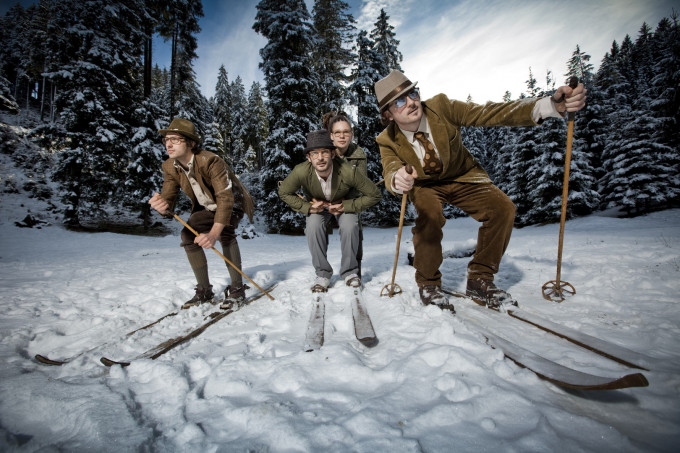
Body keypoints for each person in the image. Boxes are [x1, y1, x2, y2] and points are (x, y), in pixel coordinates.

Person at [374, 70, 586, 309]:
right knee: (430, 215)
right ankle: (429, 284)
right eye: (400, 101)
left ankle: (480, 279)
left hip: (463, 176)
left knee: (502, 209)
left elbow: (488, 113)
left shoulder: (441, 107)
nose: (411, 102)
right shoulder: (387, 140)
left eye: (412, 93)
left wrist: (548, 106)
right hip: (426, 186)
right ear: (388, 115)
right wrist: (397, 179)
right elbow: (390, 170)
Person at [149, 118, 255, 309]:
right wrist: (162, 206)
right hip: (206, 208)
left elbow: (225, 199)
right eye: (166, 139)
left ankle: (237, 290)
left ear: (191, 143)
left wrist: (213, 234)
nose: (169, 143)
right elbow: (168, 200)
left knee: (225, 232)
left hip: (233, 202)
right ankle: (205, 291)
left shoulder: (211, 161)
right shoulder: (169, 166)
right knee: (187, 235)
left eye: (175, 139)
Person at [278, 129, 382, 292]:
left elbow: (375, 194)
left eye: (324, 152)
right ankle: (322, 273)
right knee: (313, 226)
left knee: (350, 225)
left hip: (343, 204)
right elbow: (284, 192)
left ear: (333, 154)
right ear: (309, 157)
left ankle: (350, 272)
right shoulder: (301, 171)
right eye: (315, 154)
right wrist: (308, 207)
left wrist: (347, 206)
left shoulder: (348, 171)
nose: (320, 158)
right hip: (318, 206)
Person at [322, 111, 368, 277]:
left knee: (354, 225)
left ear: (351, 134)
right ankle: (322, 273)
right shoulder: (323, 152)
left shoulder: (358, 154)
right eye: (338, 133)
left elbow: (362, 187)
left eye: (346, 132)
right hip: (325, 200)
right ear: (331, 135)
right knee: (315, 225)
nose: (342, 137)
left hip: (348, 200)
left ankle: (354, 271)